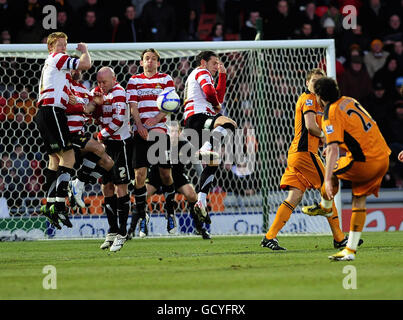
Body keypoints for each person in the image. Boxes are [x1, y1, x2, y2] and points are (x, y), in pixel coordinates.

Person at [302, 77, 391, 261]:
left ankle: (326, 206)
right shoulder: (351, 101)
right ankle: (349, 251)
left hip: (364, 162)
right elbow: (357, 133)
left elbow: (333, 149)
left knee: (331, 169)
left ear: (319, 96)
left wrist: (327, 179)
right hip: (383, 157)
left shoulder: (329, 113)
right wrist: (336, 146)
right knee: (358, 200)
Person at [260, 69, 348, 251]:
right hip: (304, 153)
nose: (316, 84)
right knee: (328, 188)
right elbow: (310, 127)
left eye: (319, 81)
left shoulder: (321, 106)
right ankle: (339, 238)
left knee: (295, 196)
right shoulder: (307, 98)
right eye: (313, 81)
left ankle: (269, 237)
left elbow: (322, 131)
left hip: (296, 155)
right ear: (307, 84)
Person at [34, 32, 91, 230]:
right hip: (52, 111)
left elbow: (69, 94)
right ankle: (59, 204)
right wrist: (84, 50)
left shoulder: (58, 72)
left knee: (54, 160)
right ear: (51, 48)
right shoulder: (57, 59)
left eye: (65, 45)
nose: (64, 48)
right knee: (69, 158)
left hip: (44, 112)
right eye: (60, 45)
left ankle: (50, 204)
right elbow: (85, 65)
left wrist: (74, 100)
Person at [128, 122, 211, 239]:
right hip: (156, 175)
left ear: (179, 133)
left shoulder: (185, 145)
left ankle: (200, 229)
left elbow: (197, 163)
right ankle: (131, 230)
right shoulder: (159, 142)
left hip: (177, 176)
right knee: (142, 196)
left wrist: (203, 180)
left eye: (174, 131)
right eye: (170, 131)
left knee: (192, 195)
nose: (172, 134)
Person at [126, 48, 176, 238]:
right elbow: (133, 105)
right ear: (141, 62)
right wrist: (139, 125)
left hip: (159, 131)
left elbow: (171, 104)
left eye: (153, 59)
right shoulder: (134, 80)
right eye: (147, 59)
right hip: (141, 132)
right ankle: (142, 217)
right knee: (139, 176)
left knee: (165, 173)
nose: (150, 61)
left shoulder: (165, 79)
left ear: (158, 63)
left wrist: (155, 120)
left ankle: (170, 213)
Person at [183, 50, 237, 225]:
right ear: (203, 63)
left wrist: (222, 76)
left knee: (214, 160)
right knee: (230, 124)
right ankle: (206, 146)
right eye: (214, 63)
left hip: (197, 122)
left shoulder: (206, 75)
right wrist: (215, 105)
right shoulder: (201, 72)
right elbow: (210, 94)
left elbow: (218, 98)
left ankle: (201, 199)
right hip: (197, 118)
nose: (217, 66)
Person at [64, 67, 114, 209]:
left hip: (80, 135)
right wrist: (84, 106)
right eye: (72, 69)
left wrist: (97, 104)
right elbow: (64, 108)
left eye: (78, 69)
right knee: (99, 147)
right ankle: (76, 185)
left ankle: (78, 185)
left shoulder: (86, 92)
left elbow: (90, 113)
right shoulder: (63, 86)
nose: (76, 71)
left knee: (108, 162)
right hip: (68, 135)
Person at [93, 67, 132, 252]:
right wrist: (94, 105)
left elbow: (117, 121)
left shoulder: (119, 92)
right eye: (99, 82)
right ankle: (112, 230)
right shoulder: (97, 92)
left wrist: (100, 134)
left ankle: (123, 233)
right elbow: (90, 112)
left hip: (119, 145)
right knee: (106, 187)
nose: (101, 85)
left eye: (104, 82)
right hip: (105, 145)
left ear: (114, 79)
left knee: (120, 187)